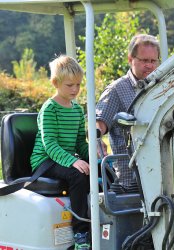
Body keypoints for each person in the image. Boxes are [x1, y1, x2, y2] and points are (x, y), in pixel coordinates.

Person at [30, 55, 91, 250]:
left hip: (63, 159)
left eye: (78, 85)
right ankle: (81, 232)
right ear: (56, 83)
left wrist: (95, 158)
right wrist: (73, 162)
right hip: (45, 161)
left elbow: (80, 142)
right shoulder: (50, 109)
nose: (75, 89)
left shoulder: (77, 110)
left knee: (103, 172)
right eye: (69, 85)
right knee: (78, 175)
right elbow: (50, 144)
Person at [96, 34, 160, 188]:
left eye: (153, 61)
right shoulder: (117, 90)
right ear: (131, 59)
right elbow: (98, 125)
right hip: (129, 176)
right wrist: (97, 141)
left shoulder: (160, 87)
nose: (149, 66)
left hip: (159, 171)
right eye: (144, 60)